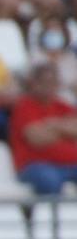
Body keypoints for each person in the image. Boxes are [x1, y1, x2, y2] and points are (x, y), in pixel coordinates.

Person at [8, 62, 77, 195]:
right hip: (35, 166)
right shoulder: (24, 106)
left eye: (53, 82)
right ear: (33, 83)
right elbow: (37, 139)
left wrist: (53, 125)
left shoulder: (62, 106)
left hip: (71, 164)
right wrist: (65, 130)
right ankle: (51, 215)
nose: (49, 86)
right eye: (44, 82)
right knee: (49, 180)